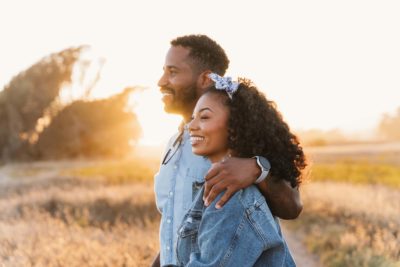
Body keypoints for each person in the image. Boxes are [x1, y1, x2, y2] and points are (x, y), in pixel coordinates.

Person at [153, 34, 302, 267]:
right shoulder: (173, 144)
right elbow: (178, 229)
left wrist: (257, 168)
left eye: (172, 72)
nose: (161, 81)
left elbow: (292, 206)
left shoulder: (238, 147)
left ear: (204, 78)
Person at [175, 74, 306, 266]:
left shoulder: (230, 196)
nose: (191, 126)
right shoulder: (217, 185)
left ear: (235, 128)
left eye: (204, 117)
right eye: (192, 118)